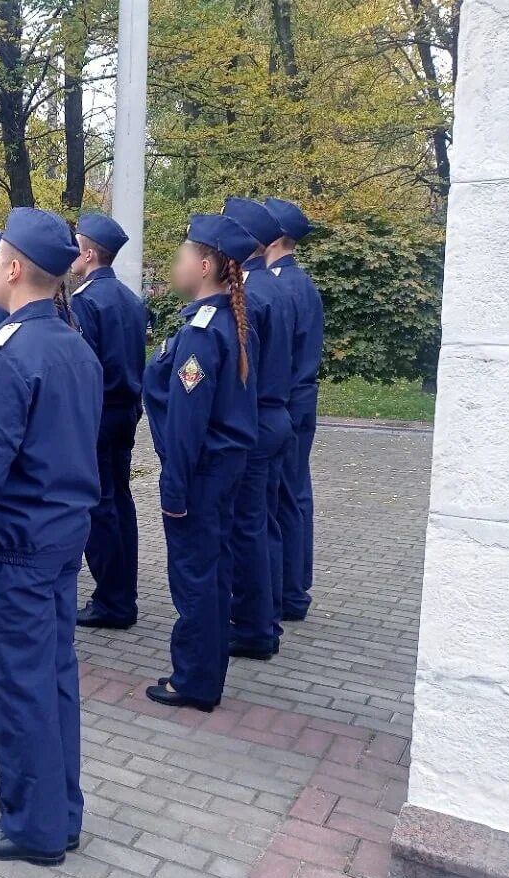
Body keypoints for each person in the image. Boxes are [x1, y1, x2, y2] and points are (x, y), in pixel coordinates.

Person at [0, 207, 102, 866]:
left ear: (10, 268)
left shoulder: (8, 355)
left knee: (20, 688)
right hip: (62, 538)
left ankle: (31, 827)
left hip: (16, 546)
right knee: (55, 679)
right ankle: (60, 814)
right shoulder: (72, 344)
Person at [143, 214, 259, 713]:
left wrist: (173, 488)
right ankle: (205, 673)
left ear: (206, 264)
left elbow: (188, 423)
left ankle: (193, 679)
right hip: (225, 467)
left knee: (195, 577)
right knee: (212, 570)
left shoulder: (201, 333)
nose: (176, 263)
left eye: (184, 255)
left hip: (201, 473)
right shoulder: (227, 322)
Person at [222, 198, 297, 659]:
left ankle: (253, 628)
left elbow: (241, 370)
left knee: (245, 528)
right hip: (275, 416)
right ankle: (264, 617)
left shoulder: (249, 292)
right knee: (262, 524)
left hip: (254, 420)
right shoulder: (274, 286)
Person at [68, 212, 149, 630]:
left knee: (99, 507)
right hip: (126, 411)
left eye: (76, 246)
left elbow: (84, 367)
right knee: (121, 500)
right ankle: (123, 591)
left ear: (89, 253)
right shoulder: (131, 300)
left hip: (99, 414)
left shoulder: (85, 301)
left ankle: (112, 600)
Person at [263, 197, 323, 623]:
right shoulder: (298, 283)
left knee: (283, 497)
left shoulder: (279, 286)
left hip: (285, 402)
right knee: (295, 493)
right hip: (299, 400)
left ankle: (288, 591)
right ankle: (293, 587)